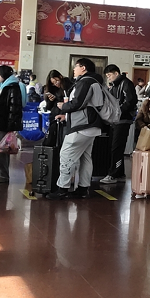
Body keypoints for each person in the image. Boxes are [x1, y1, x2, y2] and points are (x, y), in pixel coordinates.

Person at [49, 58, 105, 200]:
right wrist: (66, 117)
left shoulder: (85, 82)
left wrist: (63, 106)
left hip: (81, 126)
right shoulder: (96, 81)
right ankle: (83, 188)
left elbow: (77, 103)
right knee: (86, 157)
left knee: (66, 154)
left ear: (83, 68)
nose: (74, 69)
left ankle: (62, 188)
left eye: (76, 66)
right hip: (91, 125)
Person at [100, 64, 137, 184]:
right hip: (115, 120)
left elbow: (130, 101)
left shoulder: (126, 84)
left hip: (123, 120)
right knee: (114, 147)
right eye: (107, 76)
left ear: (116, 73)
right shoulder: (114, 86)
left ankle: (113, 174)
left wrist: (118, 112)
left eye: (110, 75)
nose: (109, 78)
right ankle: (120, 173)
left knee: (117, 147)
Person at [0, 65, 27, 183]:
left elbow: (14, 108)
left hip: (5, 123)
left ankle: (3, 175)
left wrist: (11, 126)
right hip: (2, 121)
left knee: (0, 148)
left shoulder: (12, 87)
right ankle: (2, 173)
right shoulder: (4, 85)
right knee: (2, 148)